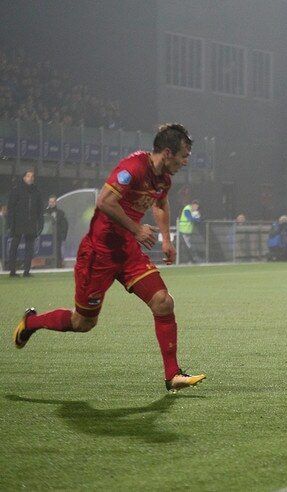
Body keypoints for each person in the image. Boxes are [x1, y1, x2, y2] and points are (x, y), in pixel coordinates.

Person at [12, 123, 205, 392]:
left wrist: (167, 239)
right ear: (168, 152)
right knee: (83, 322)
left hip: (127, 252)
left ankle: (172, 375)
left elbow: (160, 203)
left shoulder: (163, 179)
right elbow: (104, 201)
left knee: (163, 302)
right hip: (98, 254)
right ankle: (31, 323)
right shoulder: (133, 168)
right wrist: (137, 228)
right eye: (183, 155)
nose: (185, 162)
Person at [7, 169, 44, 277]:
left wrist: (40, 224)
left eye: (32, 176)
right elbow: (11, 208)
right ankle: (12, 271)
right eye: (28, 176)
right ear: (24, 178)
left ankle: (26, 271)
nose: (30, 178)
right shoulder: (16, 190)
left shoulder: (36, 192)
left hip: (31, 223)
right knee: (14, 247)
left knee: (30, 248)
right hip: (18, 223)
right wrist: (10, 223)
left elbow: (40, 210)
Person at [45, 195, 69, 268]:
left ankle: (59, 264)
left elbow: (65, 225)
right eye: (50, 202)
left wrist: (63, 235)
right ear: (48, 202)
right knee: (47, 250)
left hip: (57, 237)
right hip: (46, 236)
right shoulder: (45, 213)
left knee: (58, 251)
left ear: (56, 202)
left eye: (53, 201)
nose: (51, 203)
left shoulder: (61, 213)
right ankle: (47, 264)